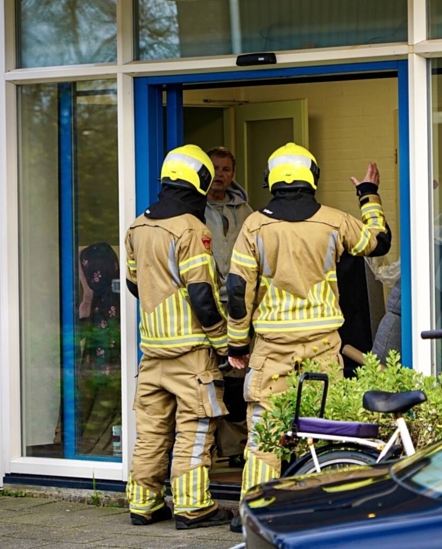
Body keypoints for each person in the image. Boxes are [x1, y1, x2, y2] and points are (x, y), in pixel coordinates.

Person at [225, 142, 391, 529]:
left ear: (271, 180)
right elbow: (378, 241)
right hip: (322, 346)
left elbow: (237, 290)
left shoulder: (254, 226)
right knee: (323, 429)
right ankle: (320, 511)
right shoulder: (334, 221)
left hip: (272, 348)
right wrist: (368, 195)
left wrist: (236, 344)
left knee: (265, 430)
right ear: (311, 178)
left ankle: (253, 513)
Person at [124, 144, 234, 530]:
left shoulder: (137, 225)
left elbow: (133, 283)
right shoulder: (192, 229)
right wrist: (224, 342)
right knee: (195, 428)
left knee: (151, 431)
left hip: (152, 353)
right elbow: (202, 295)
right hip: (191, 355)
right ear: (200, 182)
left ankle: (143, 504)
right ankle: (193, 507)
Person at [203, 146, 252, 465]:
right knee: (212, 380)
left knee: (239, 380)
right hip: (205, 305)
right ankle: (216, 447)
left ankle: (236, 448)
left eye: (226, 169)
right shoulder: (193, 209)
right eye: (215, 169)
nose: (221, 175)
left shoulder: (246, 210)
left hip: (241, 306)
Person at [75, 242, 122, 457]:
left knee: (97, 406)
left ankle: (92, 449)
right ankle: (109, 448)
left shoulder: (97, 302)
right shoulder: (118, 296)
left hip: (104, 369)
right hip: (113, 368)